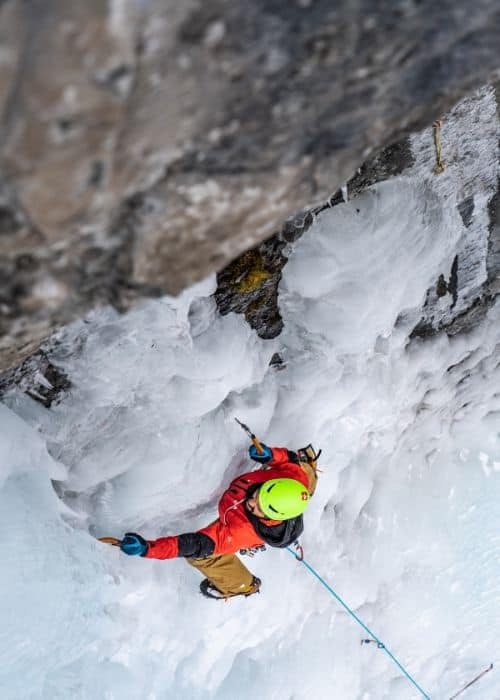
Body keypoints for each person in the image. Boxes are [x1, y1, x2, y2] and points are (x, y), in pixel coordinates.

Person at [119, 443, 321, 600]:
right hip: (293, 491)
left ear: (271, 517)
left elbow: (191, 545)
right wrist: (271, 455)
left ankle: (240, 585)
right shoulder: (294, 481)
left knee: (202, 556)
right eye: (258, 495)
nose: (251, 502)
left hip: (240, 531)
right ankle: (310, 468)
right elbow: (290, 461)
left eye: (258, 508)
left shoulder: (237, 532)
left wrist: (148, 548)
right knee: (303, 471)